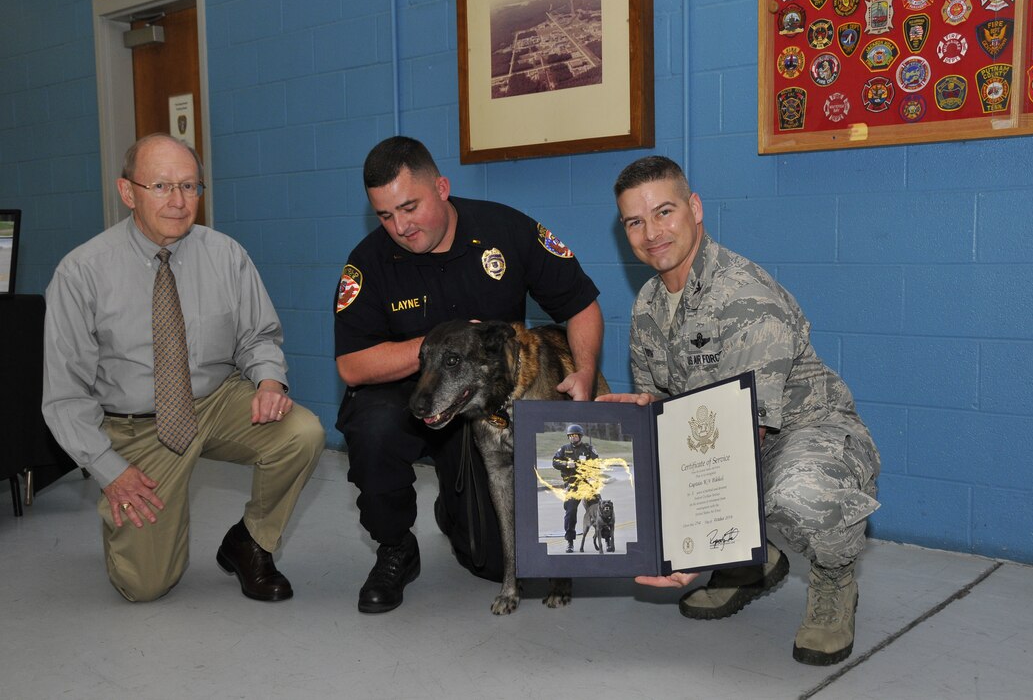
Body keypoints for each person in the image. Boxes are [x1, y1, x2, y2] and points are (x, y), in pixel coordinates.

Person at [600, 156, 880, 666]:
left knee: (805, 497)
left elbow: (741, 438)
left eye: (664, 212)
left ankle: (834, 581)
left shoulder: (745, 297)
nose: (651, 233)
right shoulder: (647, 305)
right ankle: (749, 563)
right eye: (634, 222)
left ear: (695, 208)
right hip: (721, 443)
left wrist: (697, 546)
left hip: (805, 434)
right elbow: (671, 419)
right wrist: (641, 418)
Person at [42, 134, 325, 603]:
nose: (178, 201)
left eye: (190, 186)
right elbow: (65, 396)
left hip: (216, 402)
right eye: (161, 186)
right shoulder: (81, 273)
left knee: (302, 433)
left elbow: (258, 336)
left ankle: (250, 543)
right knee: (145, 586)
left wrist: (269, 382)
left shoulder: (226, 255)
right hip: (137, 426)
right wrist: (110, 471)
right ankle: (135, 535)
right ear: (127, 192)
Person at [334, 136, 603, 613]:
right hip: (409, 397)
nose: (400, 227)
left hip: (487, 405)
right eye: (385, 215)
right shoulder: (368, 261)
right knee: (370, 430)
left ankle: (453, 507)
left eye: (410, 207)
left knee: (494, 562)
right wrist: (439, 345)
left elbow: (581, 304)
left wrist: (584, 372)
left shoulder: (506, 230)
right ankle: (395, 547)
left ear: (441, 188)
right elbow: (351, 365)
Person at [551, 424, 601, 553]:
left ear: (580, 436)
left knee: (598, 510)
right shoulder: (564, 449)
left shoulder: (588, 449)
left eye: (575, 435)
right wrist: (567, 464)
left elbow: (596, 464)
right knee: (570, 512)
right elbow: (555, 462)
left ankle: (605, 537)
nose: (573, 437)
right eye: (571, 435)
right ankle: (570, 542)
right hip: (572, 485)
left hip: (587, 485)